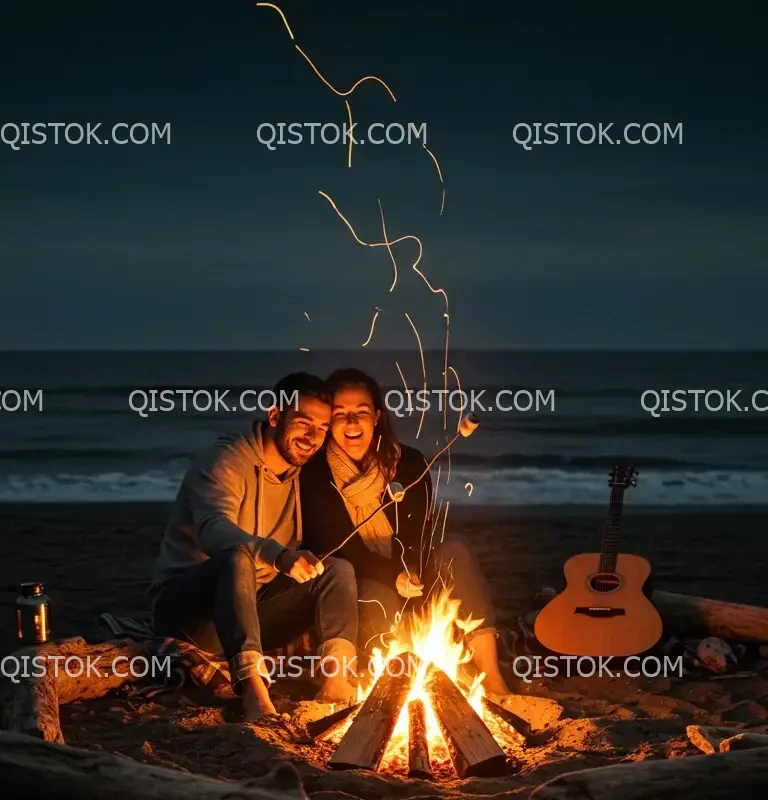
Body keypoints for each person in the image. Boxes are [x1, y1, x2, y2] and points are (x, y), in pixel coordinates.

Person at [148, 372, 359, 721]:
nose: (313, 437)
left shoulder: (300, 474)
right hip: (187, 612)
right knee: (236, 559)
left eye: (322, 428)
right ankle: (254, 694)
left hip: (248, 616)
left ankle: (336, 683)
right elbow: (213, 531)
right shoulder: (226, 459)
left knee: (336, 570)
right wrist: (279, 556)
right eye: (304, 422)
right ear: (275, 416)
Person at [299, 368, 514, 703]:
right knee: (374, 590)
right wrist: (392, 576)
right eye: (340, 414)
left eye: (361, 412)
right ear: (329, 422)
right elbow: (334, 545)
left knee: (454, 549)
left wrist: (410, 570)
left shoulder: (409, 462)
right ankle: (392, 682)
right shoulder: (315, 474)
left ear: (377, 416)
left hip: (413, 580)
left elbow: (420, 531)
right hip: (358, 588)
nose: (352, 422)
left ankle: (492, 678)